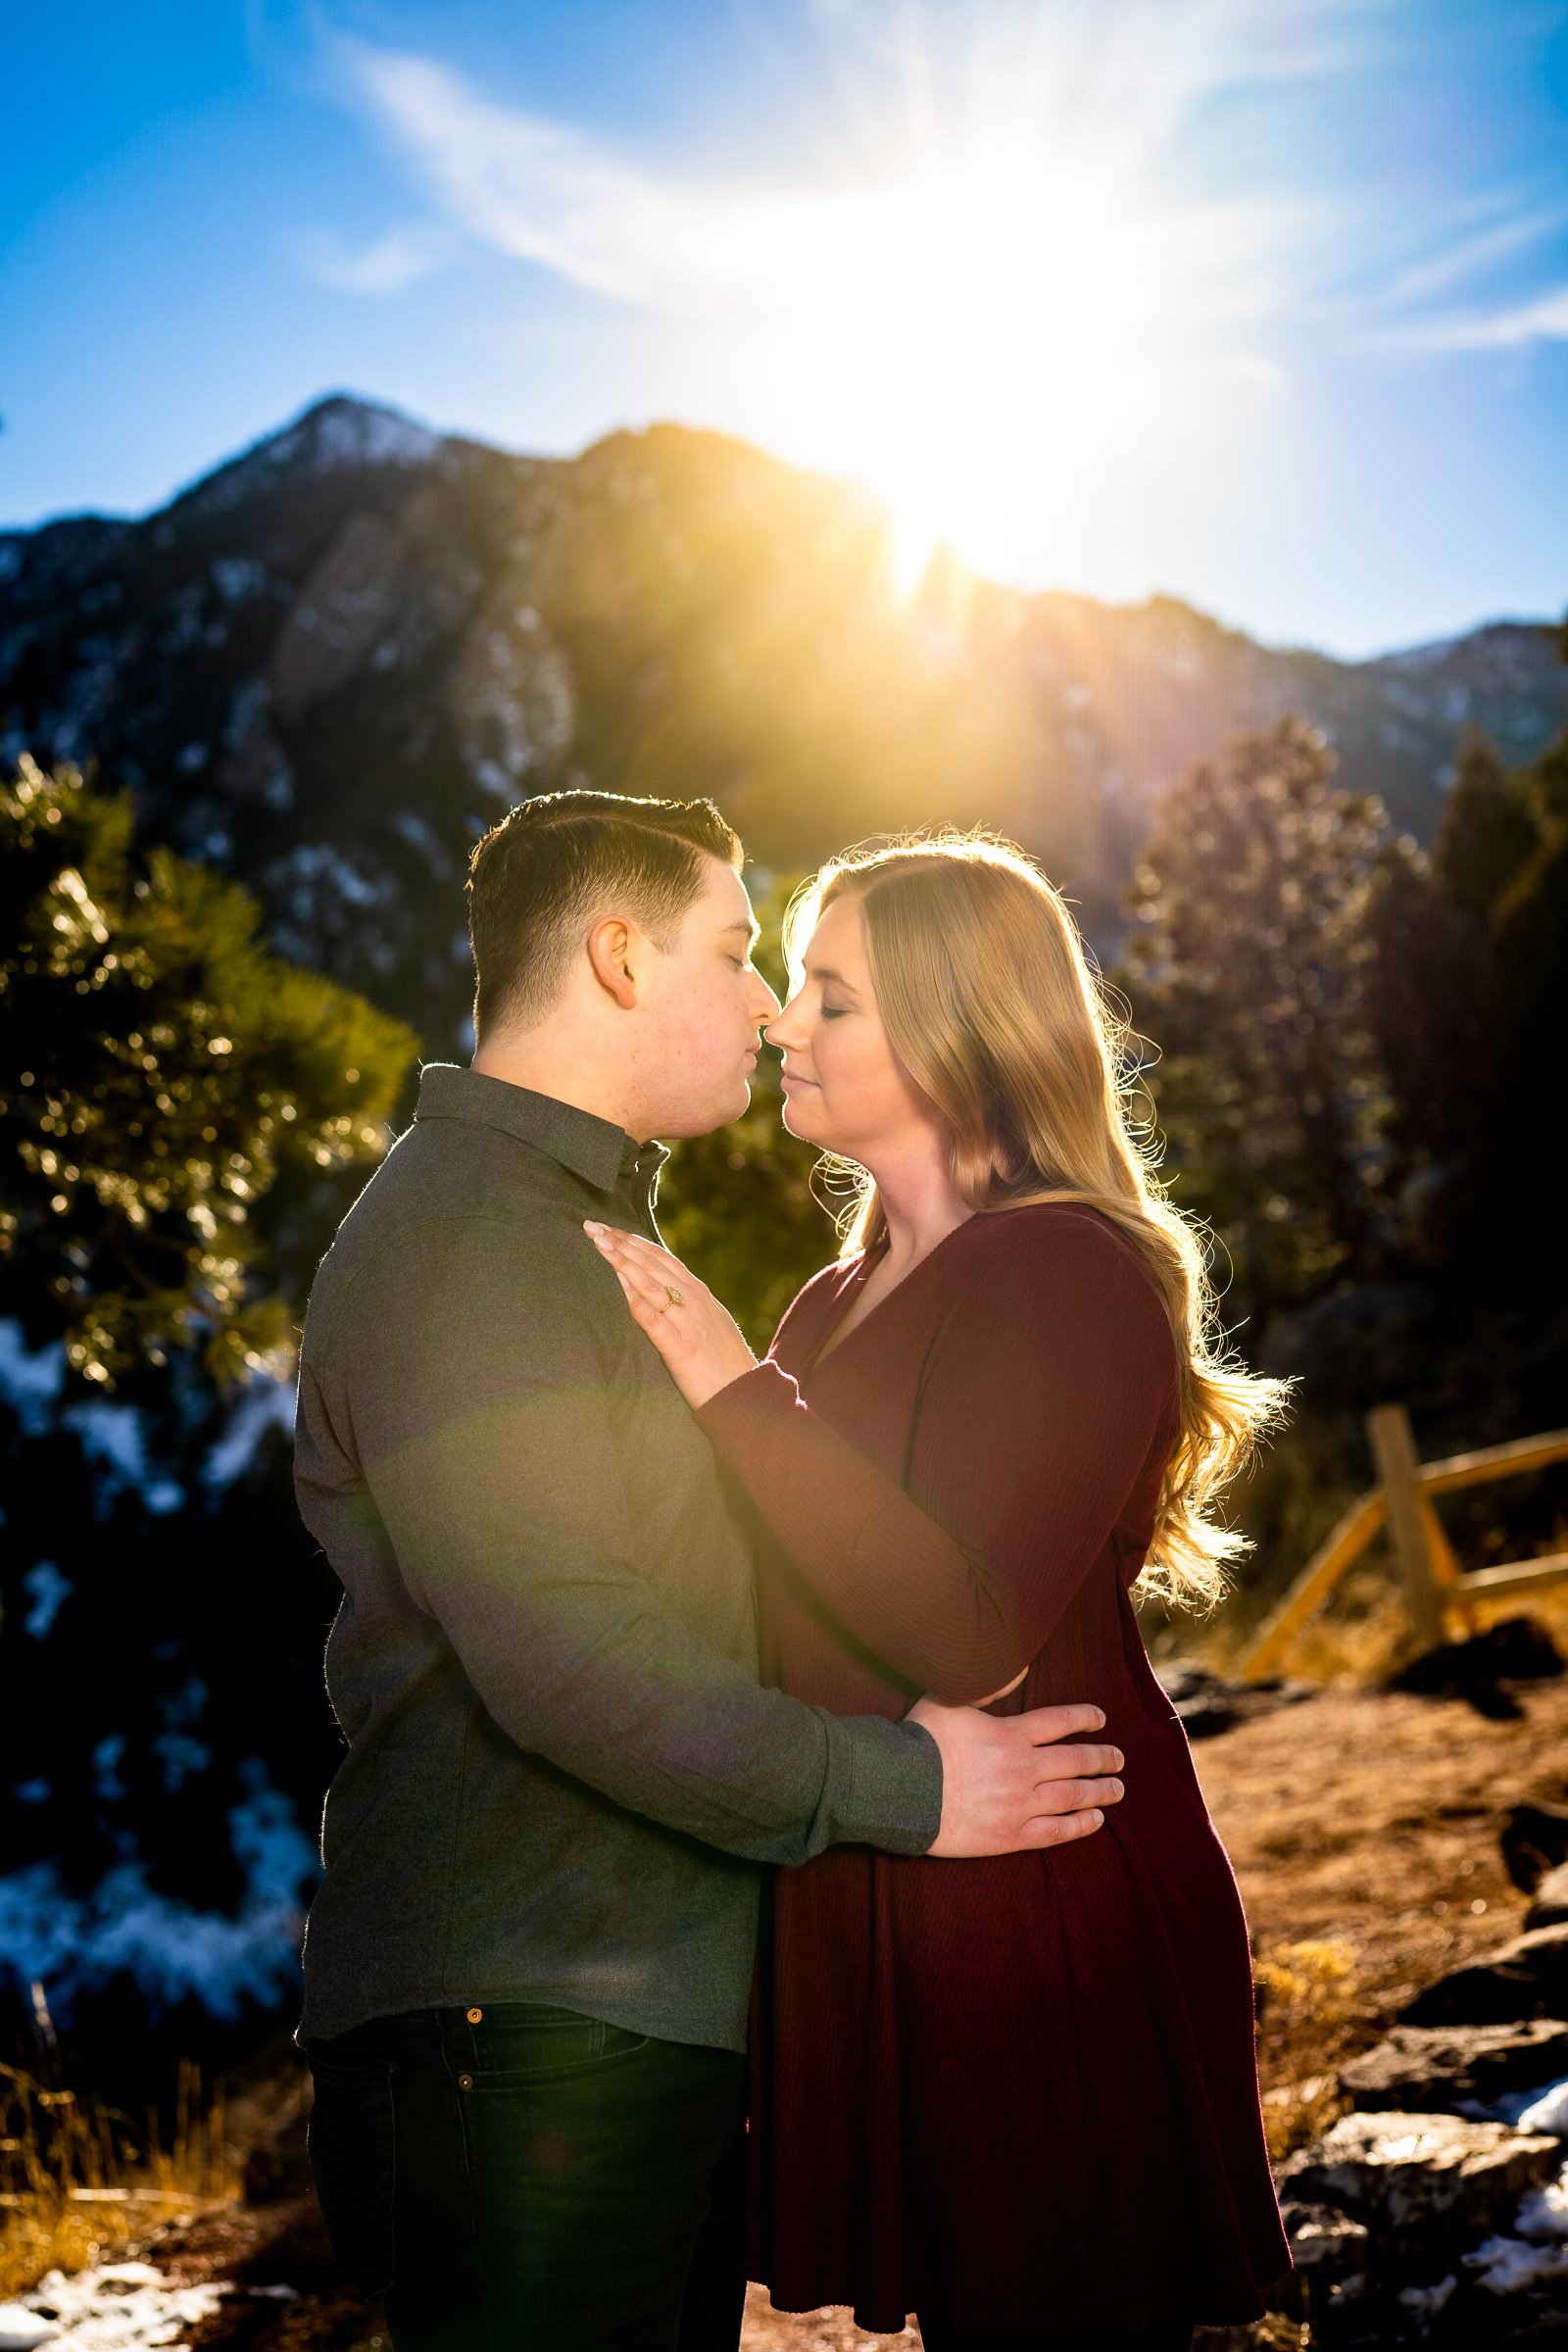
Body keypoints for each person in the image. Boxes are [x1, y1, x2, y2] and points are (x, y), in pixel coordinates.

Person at [292, 792, 1128, 2352]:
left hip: (585, 2030)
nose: (763, 1002)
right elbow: (572, 1664)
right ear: (616, 957)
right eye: (741, 952)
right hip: (520, 2040)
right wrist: (906, 1790)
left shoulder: (571, 1229)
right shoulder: (481, 1246)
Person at [589, 830, 1298, 2350]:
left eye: (832, 995)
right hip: (910, 1891)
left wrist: (731, 1392)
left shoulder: (1068, 1274)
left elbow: (969, 1636)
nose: (784, 1019)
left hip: (1044, 1904)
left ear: (960, 1030)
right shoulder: (832, 1301)